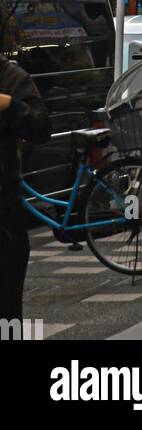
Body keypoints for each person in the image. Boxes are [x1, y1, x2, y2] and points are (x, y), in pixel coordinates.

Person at [0, 49, 51, 321]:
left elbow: (42, 128)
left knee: (7, 314)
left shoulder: (12, 77)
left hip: (4, 213)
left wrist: (11, 105)